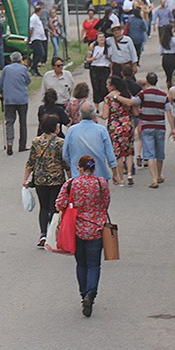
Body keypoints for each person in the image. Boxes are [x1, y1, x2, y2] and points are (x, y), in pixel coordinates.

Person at [55, 155, 111, 318]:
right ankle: (91, 294)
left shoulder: (71, 183)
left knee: (81, 263)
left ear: (79, 168)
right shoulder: (101, 183)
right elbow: (106, 203)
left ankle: (83, 294)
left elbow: (59, 204)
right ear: (94, 168)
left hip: (77, 229)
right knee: (94, 264)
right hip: (96, 229)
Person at [23, 115, 70, 248]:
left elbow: (30, 162)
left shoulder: (36, 141)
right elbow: (65, 163)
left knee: (43, 207)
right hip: (56, 179)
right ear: (54, 127)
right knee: (54, 208)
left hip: (40, 180)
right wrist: (71, 179)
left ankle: (42, 233)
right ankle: (52, 234)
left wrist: (25, 179)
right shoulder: (60, 142)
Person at [62, 101, 121, 184]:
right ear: (94, 114)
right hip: (99, 176)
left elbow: (65, 154)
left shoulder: (72, 130)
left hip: (78, 176)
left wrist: (73, 165)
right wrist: (114, 173)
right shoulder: (101, 130)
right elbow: (110, 153)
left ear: (80, 114)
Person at [132, 73, 172, 188]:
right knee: (160, 153)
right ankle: (159, 175)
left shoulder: (143, 94)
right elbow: (169, 112)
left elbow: (134, 102)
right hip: (160, 126)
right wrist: (172, 128)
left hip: (147, 126)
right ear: (157, 81)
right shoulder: (163, 95)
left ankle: (153, 179)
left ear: (147, 82)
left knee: (149, 154)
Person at [101, 76, 137, 186]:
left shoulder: (108, 98)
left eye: (108, 84)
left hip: (115, 127)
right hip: (128, 124)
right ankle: (130, 173)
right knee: (129, 151)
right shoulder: (126, 95)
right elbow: (133, 107)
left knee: (118, 154)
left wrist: (100, 115)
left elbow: (105, 116)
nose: (106, 86)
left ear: (112, 86)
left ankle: (121, 178)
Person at [0, 52, 31, 155]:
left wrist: (1, 92)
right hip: (22, 99)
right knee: (23, 122)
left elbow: (0, 84)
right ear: (21, 59)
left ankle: (10, 143)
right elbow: (28, 81)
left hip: (9, 100)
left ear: (11, 60)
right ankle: (22, 145)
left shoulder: (6, 69)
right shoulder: (23, 69)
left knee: (9, 121)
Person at [85, 32, 111, 104]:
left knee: (104, 88)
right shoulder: (94, 47)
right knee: (96, 88)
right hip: (95, 69)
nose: (102, 39)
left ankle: (106, 104)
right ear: (96, 39)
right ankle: (97, 105)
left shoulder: (108, 48)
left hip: (105, 68)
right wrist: (93, 58)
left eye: (103, 37)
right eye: (100, 37)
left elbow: (111, 60)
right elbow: (87, 59)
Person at [28, 4, 47, 76]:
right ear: (38, 11)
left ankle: (35, 69)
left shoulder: (37, 18)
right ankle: (32, 67)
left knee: (36, 54)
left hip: (40, 38)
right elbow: (31, 29)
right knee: (41, 53)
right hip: (35, 38)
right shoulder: (33, 18)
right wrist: (30, 38)